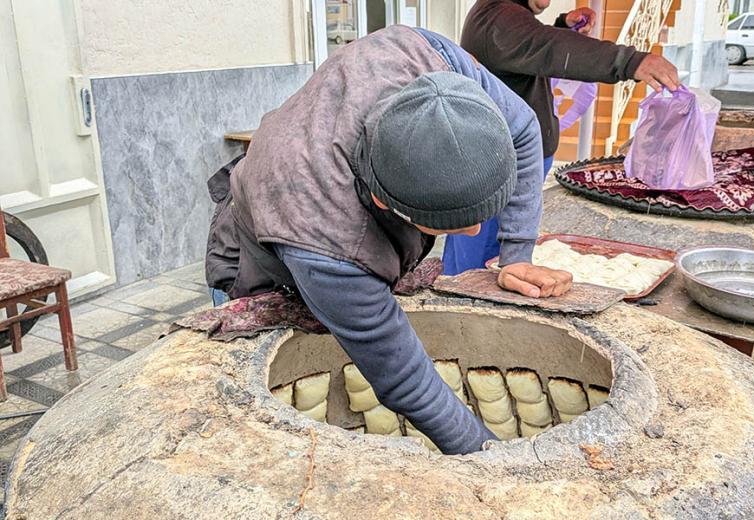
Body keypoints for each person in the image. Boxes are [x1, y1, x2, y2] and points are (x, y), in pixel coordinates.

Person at [205, 25, 572, 455]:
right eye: (451, 226)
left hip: (322, 192)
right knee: (262, 433)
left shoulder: (426, 59)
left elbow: (526, 132)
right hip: (263, 251)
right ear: (385, 202)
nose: (474, 234)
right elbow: (404, 378)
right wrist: (494, 461)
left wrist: (516, 255)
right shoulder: (323, 237)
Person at [442, 0, 681, 275]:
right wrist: (630, 62)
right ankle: (465, 304)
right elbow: (551, 47)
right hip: (497, 166)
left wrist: (561, 24)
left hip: (506, 160)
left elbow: (530, 46)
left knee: (484, 254)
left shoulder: (509, 16)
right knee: (485, 266)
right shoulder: (499, 16)